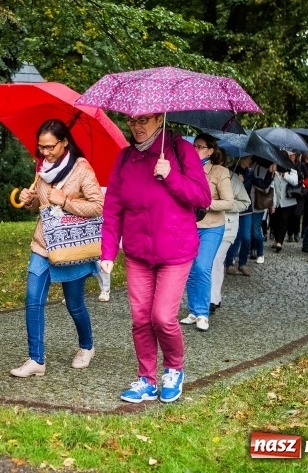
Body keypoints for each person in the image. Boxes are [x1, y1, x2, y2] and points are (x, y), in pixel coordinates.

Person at [100, 114, 210, 404]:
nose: (136, 127)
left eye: (144, 121)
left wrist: (171, 175)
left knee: (162, 317)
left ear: (159, 121)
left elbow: (202, 197)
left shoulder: (179, 149)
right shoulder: (124, 158)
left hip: (175, 250)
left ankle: (174, 368)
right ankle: (146, 379)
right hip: (138, 252)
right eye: (132, 121)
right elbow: (113, 208)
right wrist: (108, 251)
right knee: (140, 319)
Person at [9, 119, 103, 378]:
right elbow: (41, 205)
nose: (45, 152)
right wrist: (30, 201)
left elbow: (98, 206)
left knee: (74, 304)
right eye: (41, 147)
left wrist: (66, 201)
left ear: (64, 143)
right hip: (43, 243)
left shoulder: (82, 169)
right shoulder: (41, 168)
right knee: (33, 299)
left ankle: (87, 346)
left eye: (50, 147)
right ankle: (36, 359)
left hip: (70, 246)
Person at [180, 134, 233, 332]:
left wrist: (205, 203)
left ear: (210, 151)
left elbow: (229, 202)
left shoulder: (219, 171)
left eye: (200, 147)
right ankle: (194, 310)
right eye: (194, 146)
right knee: (191, 269)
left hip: (212, 227)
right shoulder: (186, 169)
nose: (195, 150)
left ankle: (203, 313)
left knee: (202, 266)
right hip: (189, 226)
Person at [210, 151, 250, 313]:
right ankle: (212, 297)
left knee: (217, 260)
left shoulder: (232, 179)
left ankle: (212, 299)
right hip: (208, 225)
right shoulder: (204, 176)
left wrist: (227, 205)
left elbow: (246, 202)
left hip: (227, 227)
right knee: (206, 262)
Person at [269, 152, 299, 252]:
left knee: (284, 220)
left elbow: (295, 181)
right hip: (277, 200)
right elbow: (272, 188)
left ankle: (279, 242)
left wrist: (284, 174)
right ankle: (277, 238)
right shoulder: (274, 170)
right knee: (275, 220)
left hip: (288, 200)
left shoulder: (292, 169)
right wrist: (272, 204)